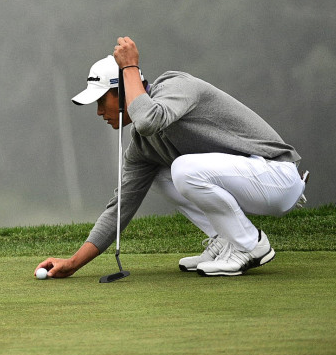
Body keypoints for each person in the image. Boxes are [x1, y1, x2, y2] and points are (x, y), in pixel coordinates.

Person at [37, 36, 308, 278]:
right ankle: (225, 239)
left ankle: (249, 244)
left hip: (276, 175)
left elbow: (147, 121)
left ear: (122, 91)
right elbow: (119, 209)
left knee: (182, 169)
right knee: (162, 175)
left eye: (101, 101)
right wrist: (72, 263)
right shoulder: (143, 149)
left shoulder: (176, 87)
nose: (98, 112)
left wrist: (129, 68)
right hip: (251, 181)